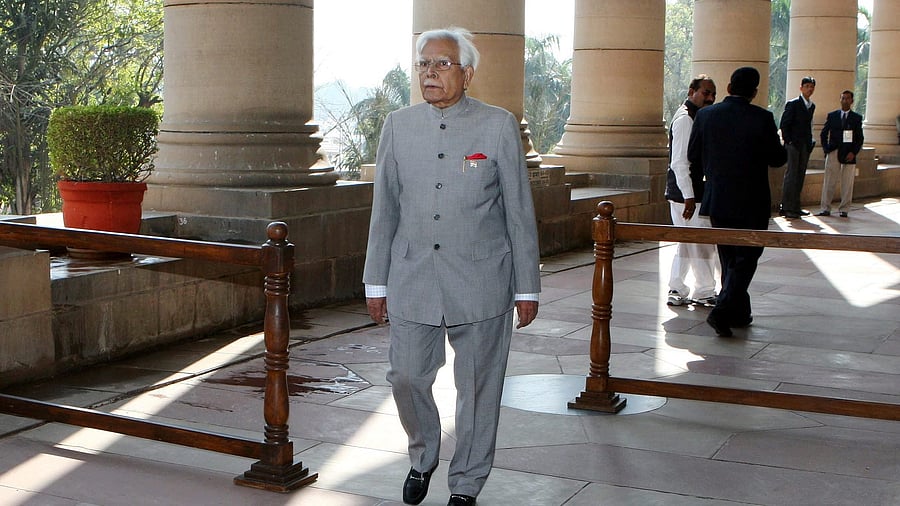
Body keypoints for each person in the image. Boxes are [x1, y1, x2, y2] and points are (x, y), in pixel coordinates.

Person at [362, 27, 541, 506]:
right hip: (411, 277)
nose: (430, 72)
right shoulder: (398, 125)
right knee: (405, 376)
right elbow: (385, 211)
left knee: (479, 390)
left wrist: (527, 288)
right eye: (424, 64)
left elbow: (519, 212)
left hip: (483, 281)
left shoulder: (498, 125)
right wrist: (375, 280)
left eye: (441, 64)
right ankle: (424, 455)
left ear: (467, 73)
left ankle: (466, 484)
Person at [688, 67, 787, 338]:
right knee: (746, 259)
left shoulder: (706, 115)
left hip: (718, 198)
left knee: (729, 256)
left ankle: (739, 312)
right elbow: (778, 159)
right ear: (754, 92)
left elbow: (693, 156)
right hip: (752, 201)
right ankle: (722, 310)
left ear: (729, 87)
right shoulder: (762, 118)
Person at [665, 75, 720, 307]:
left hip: (689, 193)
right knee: (701, 244)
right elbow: (679, 162)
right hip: (687, 195)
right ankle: (704, 291)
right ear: (692, 91)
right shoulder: (686, 119)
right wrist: (689, 196)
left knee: (687, 242)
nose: (710, 98)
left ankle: (677, 288)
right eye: (705, 93)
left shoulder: (695, 117)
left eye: (713, 94)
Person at [816, 90, 864, 218]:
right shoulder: (832, 116)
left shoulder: (856, 118)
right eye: (842, 98)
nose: (845, 101)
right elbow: (824, 133)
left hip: (848, 153)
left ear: (852, 101)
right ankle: (825, 207)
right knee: (829, 181)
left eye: (847, 98)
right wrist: (826, 149)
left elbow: (860, 138)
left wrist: (853, 152)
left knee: (847, 182)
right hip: (833, 151)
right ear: (840, 100)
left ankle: (844, 209)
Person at [778, 76, 816, 219]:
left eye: (812, 86)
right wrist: (789, 141)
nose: (809, 89)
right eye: (807, 86)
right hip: (793, 145)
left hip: (805, 145)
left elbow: (809, 126)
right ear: (801, 88)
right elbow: (784, 124)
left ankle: (795, 206)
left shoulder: (811, 106)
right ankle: (786, 206)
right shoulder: (793, 104)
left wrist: (810, 142)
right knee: (791, 175)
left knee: (800, 176)